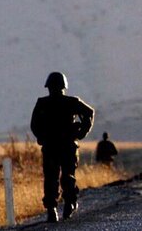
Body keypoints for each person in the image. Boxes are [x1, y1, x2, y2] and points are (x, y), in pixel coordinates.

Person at [30, 72, 94, 223]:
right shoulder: (71, 102)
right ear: (64, 87)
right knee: (67, 176)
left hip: (51, 146)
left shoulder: (42, 103)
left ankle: (52, 209)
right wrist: (82, 132)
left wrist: (42, 137)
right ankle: (69, 204)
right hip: (67, 146)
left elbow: (34, 125)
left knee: (51, 178)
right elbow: (89, 113)